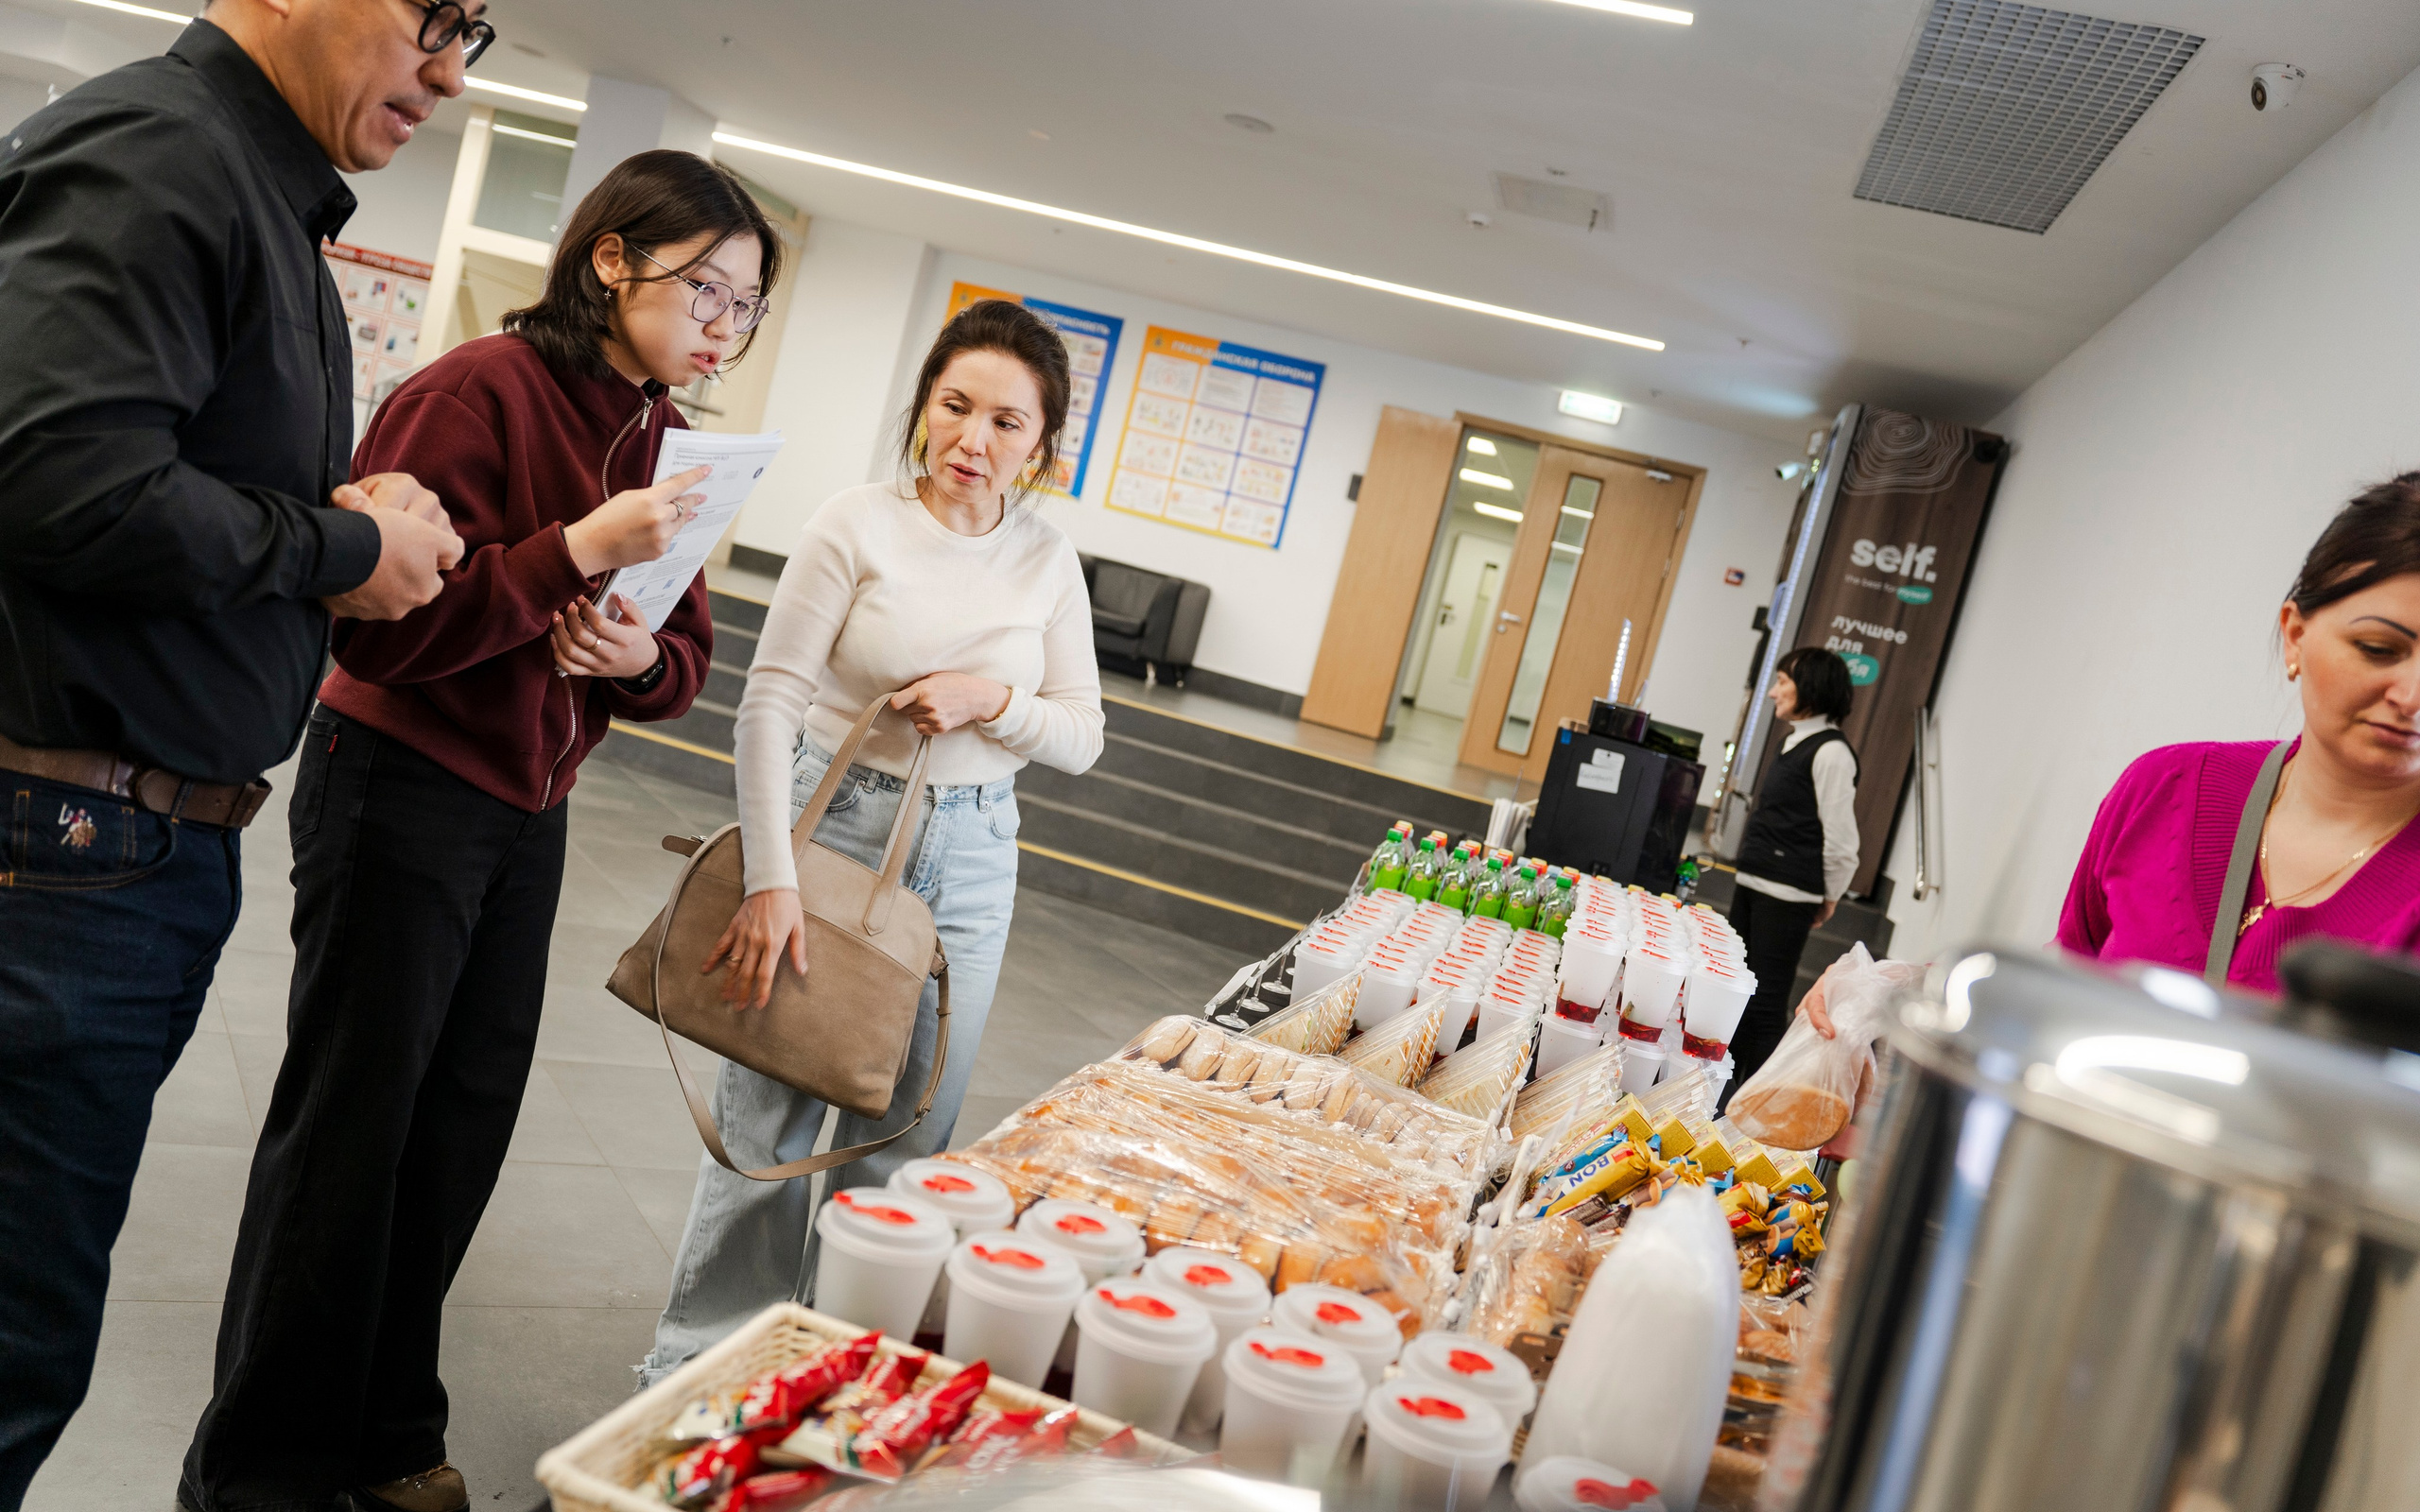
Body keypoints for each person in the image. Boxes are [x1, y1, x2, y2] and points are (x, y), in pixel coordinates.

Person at [177, 152, 777, 1512]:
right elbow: (383, 627)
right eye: (704, 289)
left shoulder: (667, 438)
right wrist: (568, 552)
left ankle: (388, 1433)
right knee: (349, 1134)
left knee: (456, 1134)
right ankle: (258, 1476)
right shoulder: (477, 391)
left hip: (526, 809)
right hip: (400, 779)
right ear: (611, 259)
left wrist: (628, 654)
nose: (718, 326)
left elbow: (683, 657)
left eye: (745, 307)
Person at [0, 0, 475, 1501]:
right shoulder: (165, 149)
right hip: (63, 849)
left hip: (124, 855)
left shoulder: (257, 193)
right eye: (434, 17)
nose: (452, 71)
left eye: (480, 35)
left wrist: (346, 530)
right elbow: (56, 473)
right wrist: (340, 542)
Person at [638, 299, 1105, 1383]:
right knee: (769, 1115)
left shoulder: (1048, 559)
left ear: (1041, 444)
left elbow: (1081, 735)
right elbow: (768, 704)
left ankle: (829, 1369)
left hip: (977, 855)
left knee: (908, 1132)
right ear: (923, 405)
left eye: (1006, 423)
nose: (972, 441)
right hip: (836, 826)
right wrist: (771, 877)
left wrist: (992, 698)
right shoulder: (855, 522)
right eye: (954, 406)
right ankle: (698, 1372)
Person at [2056, 476, 2420, 986]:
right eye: (2378, 649)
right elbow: (2060, 982)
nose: (2410, 698)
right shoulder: (2164, 788)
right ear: (2295, 636)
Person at [1724, 646, 1860, 1093]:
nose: (1772, 693)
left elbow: (1842, 843)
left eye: (1783, 681)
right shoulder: (1793, 740)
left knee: (1764, 1005)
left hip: (1788, 895)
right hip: (1756, 882)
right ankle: (1726, 1100)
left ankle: (1760, 1114)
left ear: (1813, 688)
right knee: (1738, 996)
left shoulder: (1833, 753)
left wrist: (1828, 898)